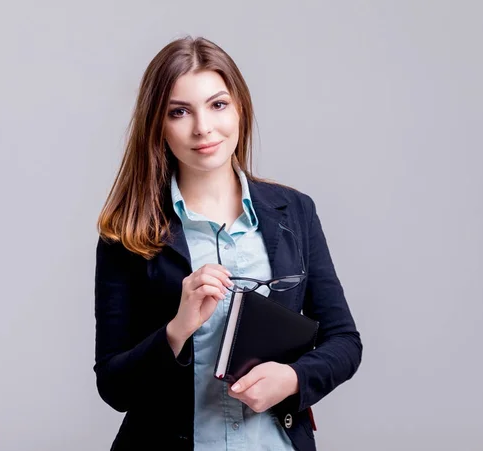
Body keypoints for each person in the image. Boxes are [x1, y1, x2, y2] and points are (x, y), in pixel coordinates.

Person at [94, 35, 363, 451]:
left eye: (217, 105)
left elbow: (344, 341)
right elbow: (114, 386)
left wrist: (292, 379)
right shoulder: (128, 232)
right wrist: (176, 330)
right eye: (179, 112)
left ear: (240, 108)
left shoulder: (295, 212)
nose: (203, 128)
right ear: (157, 125)